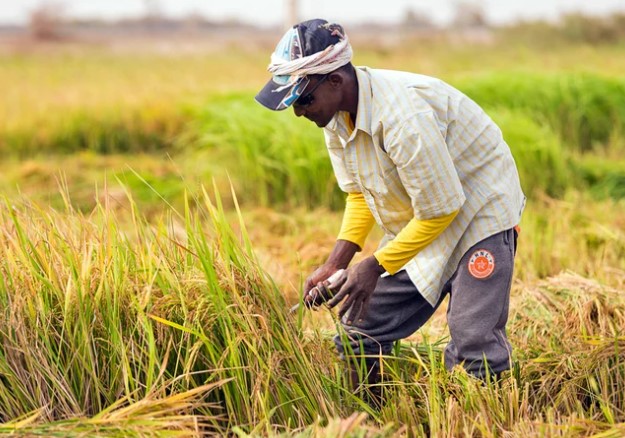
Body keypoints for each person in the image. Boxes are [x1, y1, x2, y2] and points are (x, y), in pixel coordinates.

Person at [255, 18, 525, 398]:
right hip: (424, 217)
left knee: (473, 339)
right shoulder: (335, 120)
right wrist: (337, 262)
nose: (299, 112)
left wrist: (374, 264)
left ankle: (481, 419)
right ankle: (369, 419)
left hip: (478, 215)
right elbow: (361, 193)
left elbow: (442, 210)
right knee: (359, 330)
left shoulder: (403, 118)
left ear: (335, 81)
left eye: (303, 99)